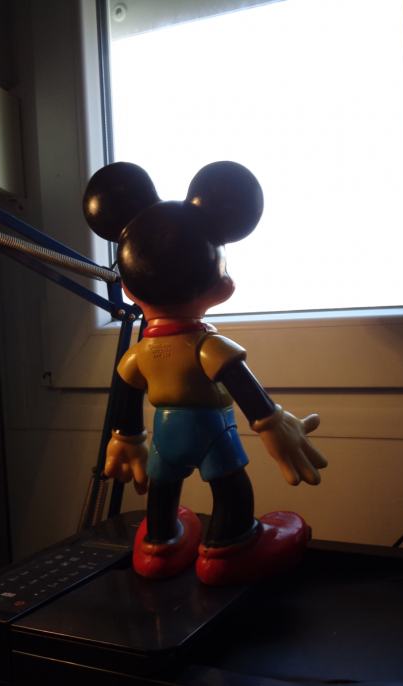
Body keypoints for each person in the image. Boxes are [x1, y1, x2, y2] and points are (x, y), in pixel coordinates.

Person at [83, 161, 327, 585]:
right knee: (230, 486)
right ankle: (230, 547)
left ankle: (159, 546)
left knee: (162, 487)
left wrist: (127, 437)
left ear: (128, 289)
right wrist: (272, 423)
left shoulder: (139, 354)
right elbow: (242, 384)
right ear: (221, 287)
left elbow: (125, 391)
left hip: (166, 435)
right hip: (213, 432)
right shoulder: (207, 346)